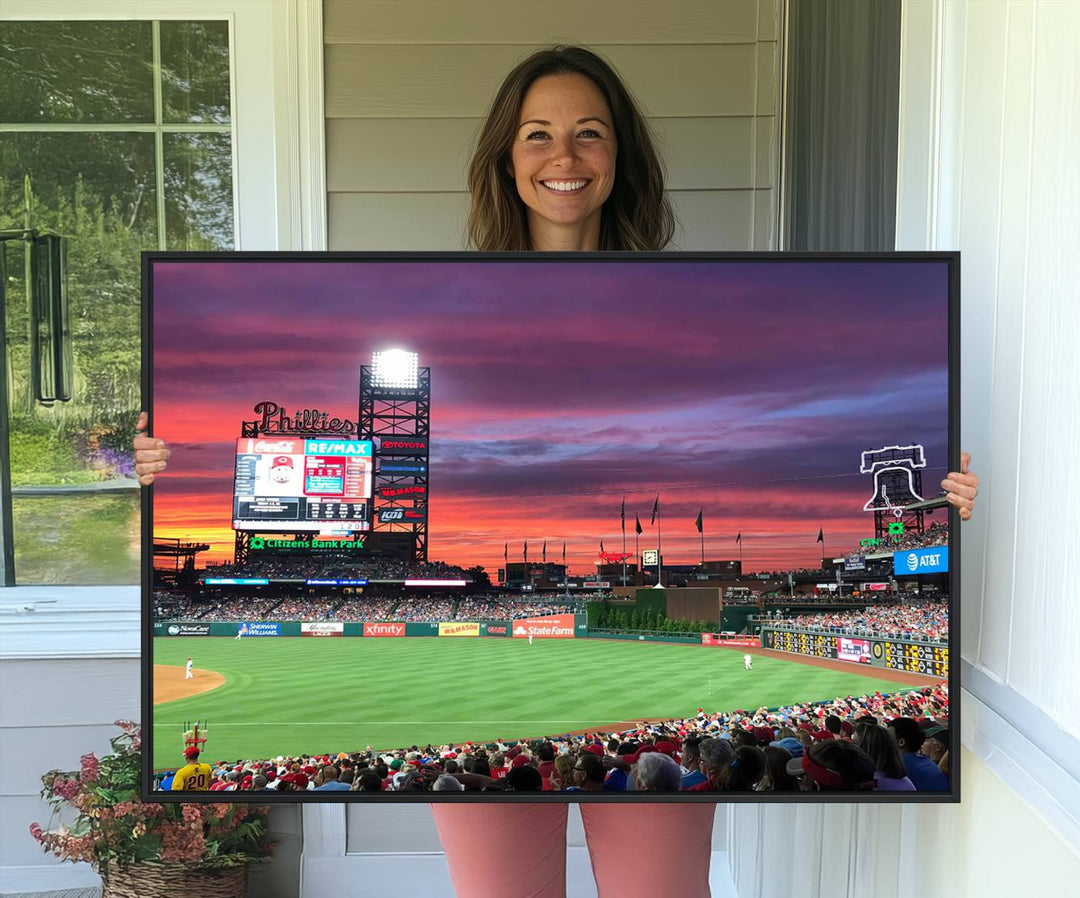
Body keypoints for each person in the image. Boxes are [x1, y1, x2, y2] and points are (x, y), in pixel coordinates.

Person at [135, 43, 980, 898]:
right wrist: (146, 466)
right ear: (506, 157)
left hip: (655, 739)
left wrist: (947, 504)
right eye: (537, 134)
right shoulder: (440, 293)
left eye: (590, 134)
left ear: (621, 158)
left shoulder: (692, 293)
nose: (564, 157)